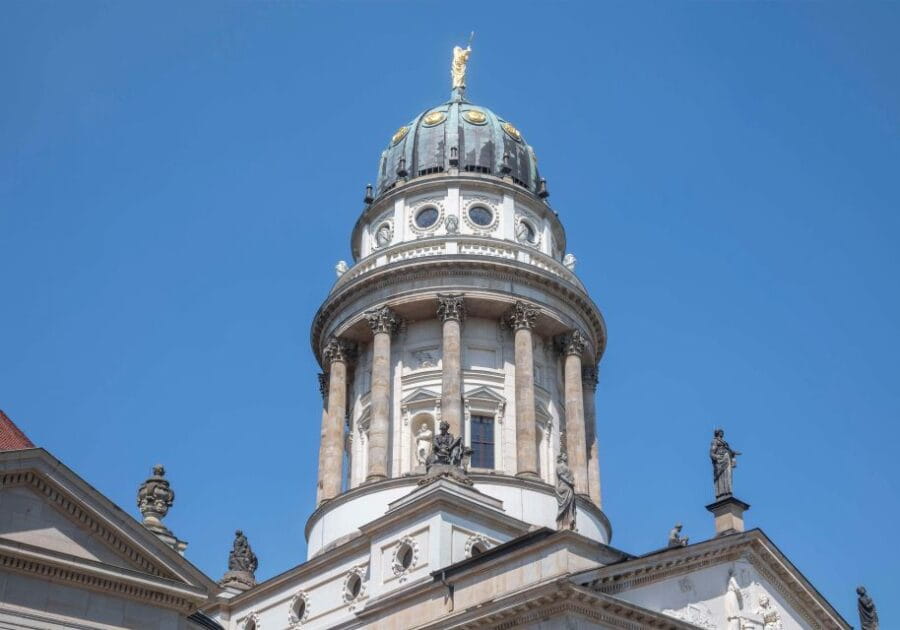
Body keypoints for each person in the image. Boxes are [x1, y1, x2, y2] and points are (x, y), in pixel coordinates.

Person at [710, 429, 740, 498]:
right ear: (717, 433)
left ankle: (728, 490)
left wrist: (733, 453)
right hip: (720, 461)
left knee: (728, 475)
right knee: (721, 476)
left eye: (722, 432)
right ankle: (721, 492)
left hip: (727, 459)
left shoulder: (725, 443)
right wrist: (718, 457)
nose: (722, 433)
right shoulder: (715, 441)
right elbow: (711, 453)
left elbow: (730, 451)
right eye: (720, 432)